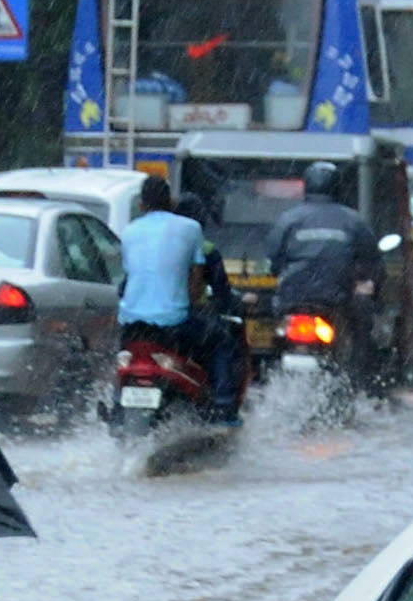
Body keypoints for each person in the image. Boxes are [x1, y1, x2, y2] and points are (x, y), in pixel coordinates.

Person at [117, 172, 248, 423]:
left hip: (131, 325)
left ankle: (115, 401)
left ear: (141, 205)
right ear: (171, 202)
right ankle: (223, 407)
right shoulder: (191, 229)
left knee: (122, 353)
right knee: (223, 341)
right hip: (173, 324)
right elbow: (196, 283)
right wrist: (196, 304)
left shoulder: (129, 232)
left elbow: (130, 276)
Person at [265, 160, 382, 373]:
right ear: (337, 186)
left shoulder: (289, 219)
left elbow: (273, 258)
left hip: (292, 299)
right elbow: (372, 261)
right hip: (336, 300)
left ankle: (269, 365)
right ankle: (358, 378)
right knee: (362, 331)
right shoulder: (353, 221)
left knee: (272, 332)